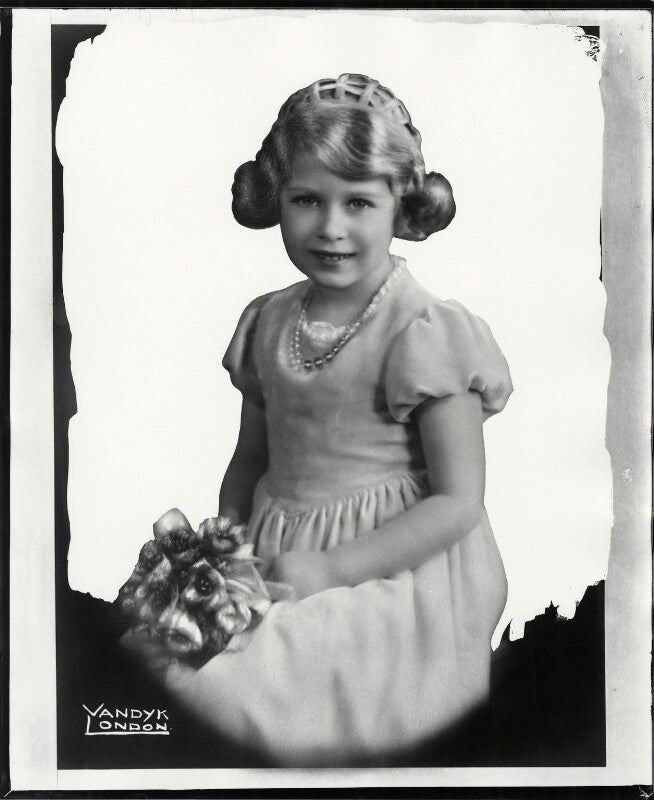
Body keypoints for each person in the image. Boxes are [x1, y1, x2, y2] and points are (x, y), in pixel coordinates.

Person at [160, 73, 513, 766]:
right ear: (276, 203)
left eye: (358, 202)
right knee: (172, 654)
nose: (330, 227)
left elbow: (458, 501)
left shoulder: (426, 330)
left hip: (396, 565)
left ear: (400, 204)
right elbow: (251, 460)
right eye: (306, 200)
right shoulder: (268, 320)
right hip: (277, 544)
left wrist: (334, 568)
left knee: (256, 687)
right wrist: (227, 546)